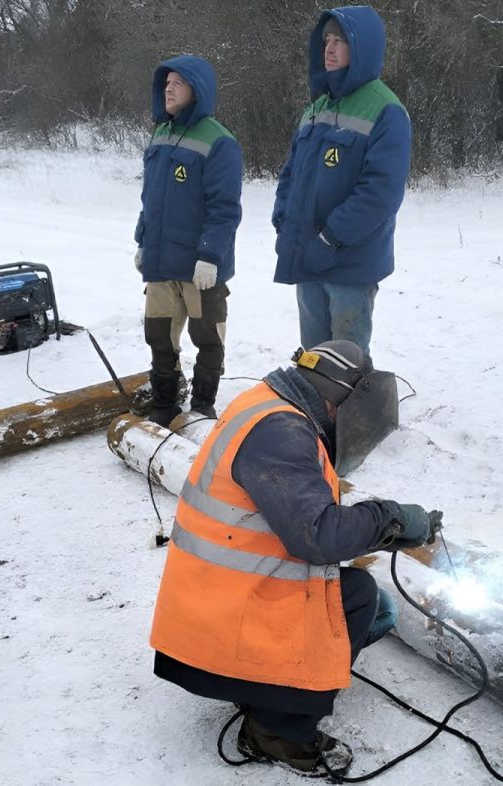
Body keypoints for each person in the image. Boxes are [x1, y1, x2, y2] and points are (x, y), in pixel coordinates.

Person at [150, 340, 437, 776]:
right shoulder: (280, 433)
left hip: (211, 607)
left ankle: (262, 689)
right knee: (356, 598)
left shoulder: (267, 404)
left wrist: (378, 528)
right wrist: (390, 519)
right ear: (336, 400)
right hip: (220, 625)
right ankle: (276, 729)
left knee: (367, 606)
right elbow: (317, 535)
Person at [272, 7, 411, 359]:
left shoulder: (385, 111)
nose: (329, 49)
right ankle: (317, 414)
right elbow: (291, 174)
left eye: (341, 41)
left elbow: (380, 193)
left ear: (362, 48)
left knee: (346, 359)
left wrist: (330, 237)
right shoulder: (315, 109)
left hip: (350, 262)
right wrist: (284, 223)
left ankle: (358, 416)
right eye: (327, 41)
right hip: (307, 256)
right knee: (314, 356)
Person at [135, 54, 243, 426]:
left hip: (201, 267)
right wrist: (142, 241)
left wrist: (211, 256)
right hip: (161, 264)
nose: (169, 87)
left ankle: (202, 407)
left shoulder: (219, 141)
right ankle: (164, 406)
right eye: (166, 82)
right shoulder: (159, 134)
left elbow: (224, 208)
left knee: (208, 338)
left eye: (178, 82)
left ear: (197, 89)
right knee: (159, 338)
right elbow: (150, 199)